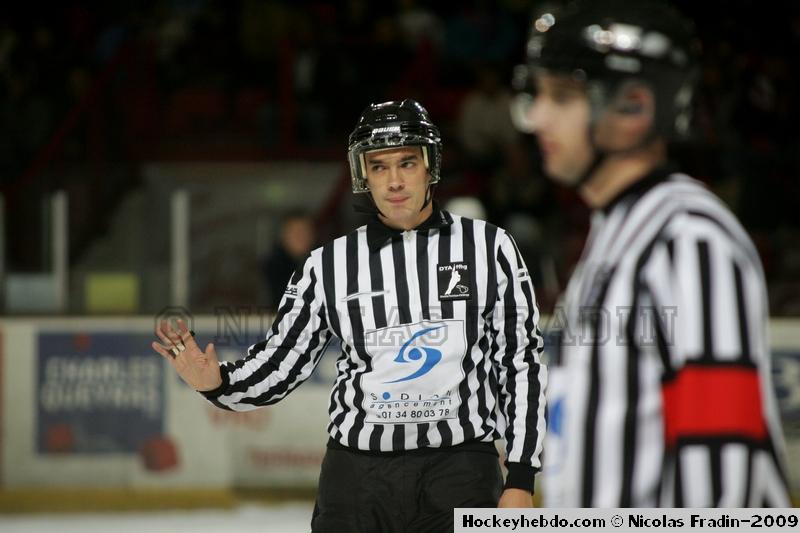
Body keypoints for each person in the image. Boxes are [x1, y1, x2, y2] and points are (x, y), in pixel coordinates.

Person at [152, 99, 547, 531]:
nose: (394, 181)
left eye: (406, 163)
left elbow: (520, 363)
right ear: (363, 174)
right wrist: (220, 382)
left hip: (461, 474)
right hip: (357, 481)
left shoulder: (490, 248)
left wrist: (521, 476)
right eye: (379, 167)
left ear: (430, 165)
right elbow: (283, 360)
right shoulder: (328, 264)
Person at [512, 0, 791, 507]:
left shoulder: (686, 239)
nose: (538, 117)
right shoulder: (618, 231)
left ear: (634, 107)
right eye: (540, 94)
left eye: (562, 96)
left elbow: (722, 484)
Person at [262, 210, 316, 310]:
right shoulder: (271, 268)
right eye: (295, 232)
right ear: (283, 236)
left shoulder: (327, 264)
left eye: (305, 231)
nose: (301, 237)